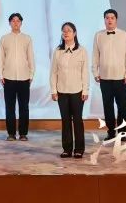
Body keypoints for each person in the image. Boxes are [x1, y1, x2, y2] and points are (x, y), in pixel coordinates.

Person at [91, 8, 126, 141]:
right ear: (104, 20)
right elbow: (95, 55)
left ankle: (122, 133)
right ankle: (110, 132)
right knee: (107, 106)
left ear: (116, 20)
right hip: (104, 78)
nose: (109, 20)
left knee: (122, 107)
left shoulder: (124, 35)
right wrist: (95, 72)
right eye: (107, 18)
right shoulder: (98, 35)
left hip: (121, 78)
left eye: (112, 18)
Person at [51, 22, 89, 159]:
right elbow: (53, 72)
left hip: (77, 91)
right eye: (64, 31)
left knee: (77, 120)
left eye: (68, 30)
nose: (66, 33)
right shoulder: (58, 51)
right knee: (65, 120)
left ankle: (79, 149)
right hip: (62, 91)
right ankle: (67, 149)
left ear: (74, 33)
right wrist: (53, 90)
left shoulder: (82, 51)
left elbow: (85, 72)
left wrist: (85, 90)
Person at [0, 12, 34, 141]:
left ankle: (23, 133)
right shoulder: (4, 39)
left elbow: (31, 58)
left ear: (21, 23)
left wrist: (31, 74)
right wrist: (1, 75)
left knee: (24, 107)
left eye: (18, 20)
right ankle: (11, 134)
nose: (15, 23)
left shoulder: (27, 38)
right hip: (8, 77)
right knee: (10, 107)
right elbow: (1, 59)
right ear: (9, 23)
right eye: (13, 21)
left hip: (24, 77)